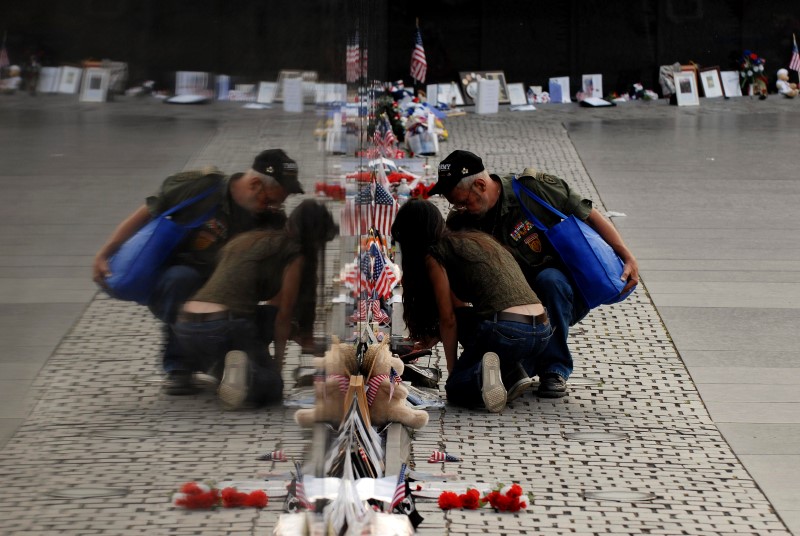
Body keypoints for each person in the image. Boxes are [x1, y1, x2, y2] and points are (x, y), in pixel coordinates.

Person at [427, 150, 638, 398]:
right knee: (489, 332)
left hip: (563, 294)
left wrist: (627, 256)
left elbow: (588, 214)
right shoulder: (462, 222)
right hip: (512, 311)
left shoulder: (531, 189)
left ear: (481, 185)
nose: (459, 208)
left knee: (550, 280)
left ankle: (553, 369)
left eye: (463, 201)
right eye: (455, 204)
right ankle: (512, 370)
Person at [92, 149, 304, 395]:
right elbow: (148, 212)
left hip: (233, 301)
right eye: (271, 200)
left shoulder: (272, 219)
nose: (275, 207)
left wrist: (276, 323)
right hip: (178, 287)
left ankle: (227, 364)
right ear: (255, 184)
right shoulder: (203, 188)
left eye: (280, 202)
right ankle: (181, 365)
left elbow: (278, 281)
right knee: (182, 279)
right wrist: (106, 253)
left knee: (265, 381)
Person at [172, 200, 338, 409]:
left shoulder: (248, 240)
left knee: (265, 316)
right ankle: (249, 375)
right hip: (224, 325)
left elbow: (268, 309)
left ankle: (227, 370)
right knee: (272, 386)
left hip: (186, 326)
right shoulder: (294, 255)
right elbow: (283, 317)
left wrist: (300, 336)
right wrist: (277, 368)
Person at [391, 199, 553, 413]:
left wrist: (453, 370)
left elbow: (448, 320)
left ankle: (479, 379)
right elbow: (459, 312)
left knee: (457, 389)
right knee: (470, 321)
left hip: (507, 331)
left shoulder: (434, 255)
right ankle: (512, 373)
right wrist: (435, 337)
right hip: (541, 331)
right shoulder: (474, 240)